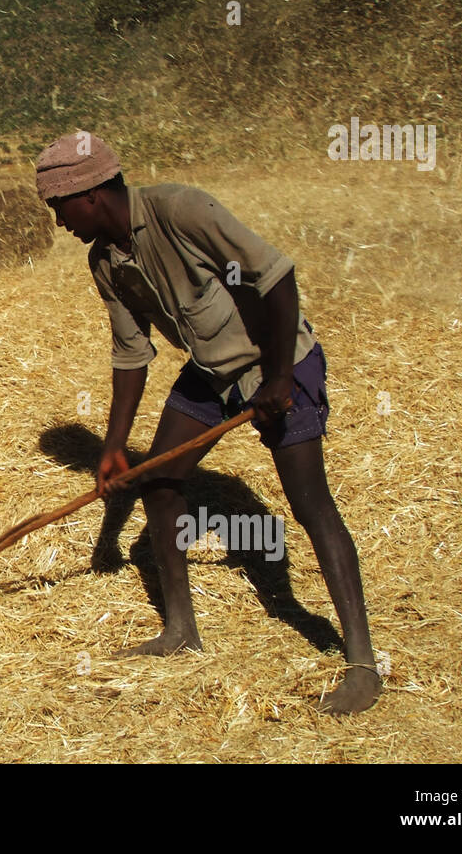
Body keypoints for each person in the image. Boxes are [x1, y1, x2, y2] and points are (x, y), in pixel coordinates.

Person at [37, 132, 380, 714]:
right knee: (159, 481)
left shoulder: (183, 210)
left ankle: (363, 664)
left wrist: (276, 378)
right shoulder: (106, 263)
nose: (57, 221)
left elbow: (275, 278)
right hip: (211, 372)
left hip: (280, 359)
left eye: (58, 207)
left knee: (310, 503)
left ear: (90, 193)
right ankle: (180, 633)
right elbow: (130, 355)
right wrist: (115, 449)